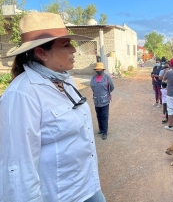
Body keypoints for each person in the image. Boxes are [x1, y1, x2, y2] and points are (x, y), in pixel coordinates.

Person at [0, 13, 106, 201]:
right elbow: (19, 167)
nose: (74, 50)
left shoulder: (65, 79)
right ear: (41, 52)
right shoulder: (22, 94)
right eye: (65, 45)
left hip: (87, 186)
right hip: (61, 195)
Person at [90, 62, 114, 140]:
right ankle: (101, 129)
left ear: (103, 69)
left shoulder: (107, 77)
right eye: (97, 69)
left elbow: (112, 86)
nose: (98, 70)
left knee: (104, 116)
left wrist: (107, 93)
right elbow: (92, 86)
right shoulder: (93, 78)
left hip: (105, 100)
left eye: (100, 69)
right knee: (98, 115)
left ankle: (105, 132)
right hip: (96, 100)